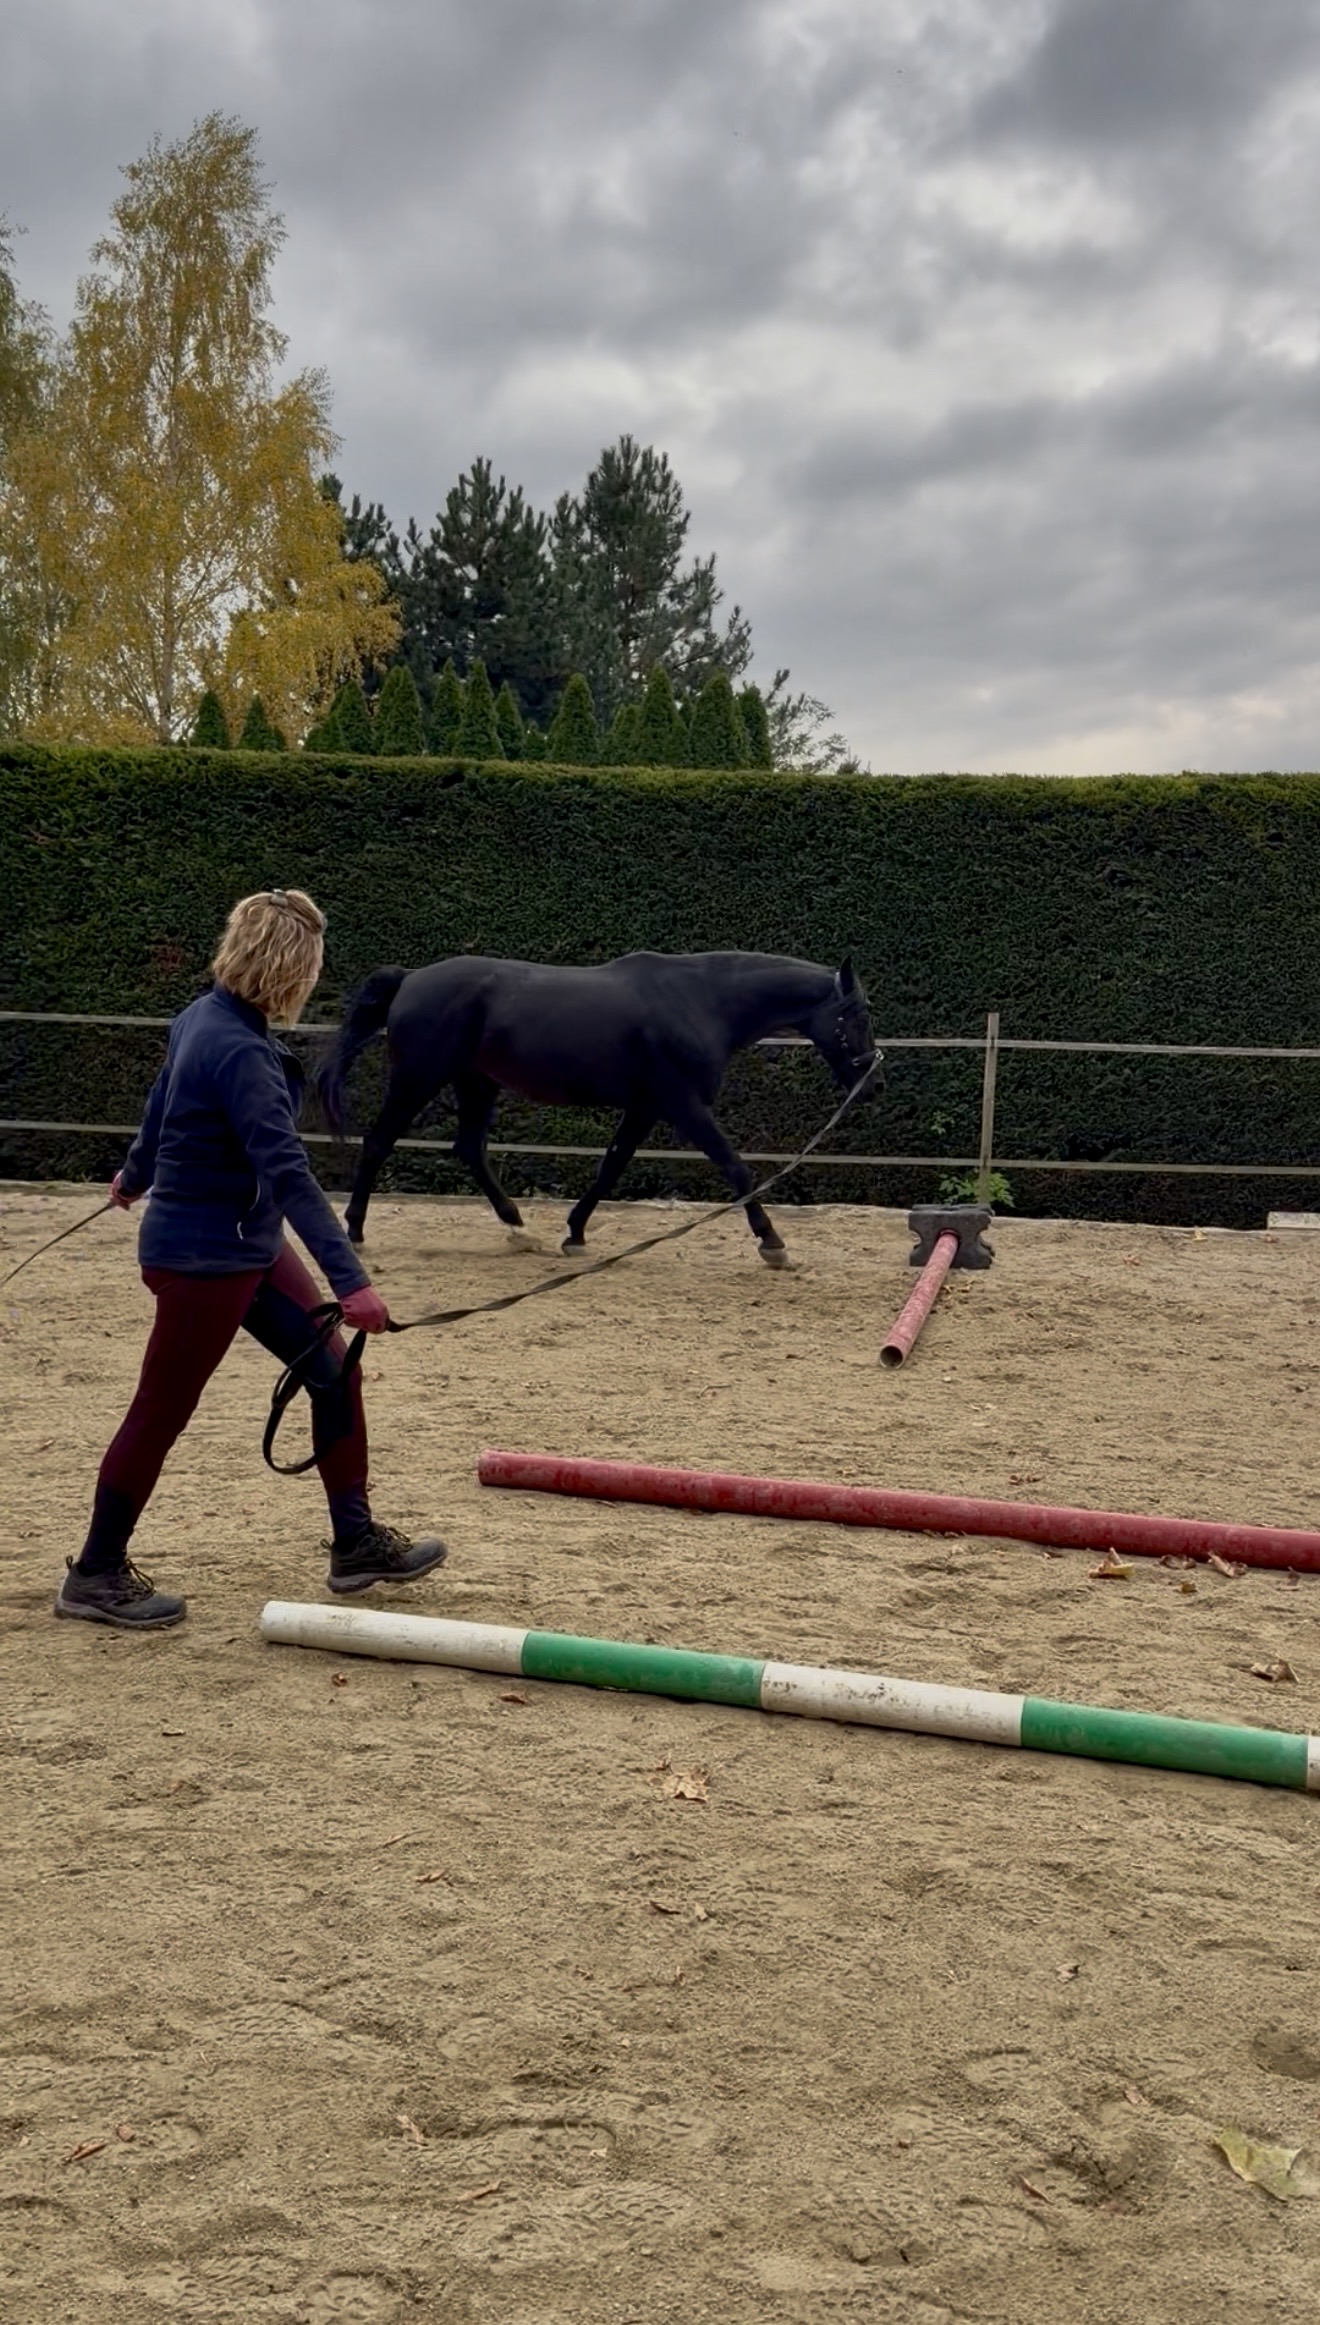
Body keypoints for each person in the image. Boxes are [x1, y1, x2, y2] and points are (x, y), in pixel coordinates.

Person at [55, 887, 447, 1631]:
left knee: (333, 1368)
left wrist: (132, 1176)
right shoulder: (239, 1051)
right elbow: (289, 1171)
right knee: (162, 1410)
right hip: (204, 1258)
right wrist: (351, 1280)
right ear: (289, 968)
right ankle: (96, 1571)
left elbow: (158, 1106)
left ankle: (355, 1541)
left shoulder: (206, 1017)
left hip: (246, 1243)